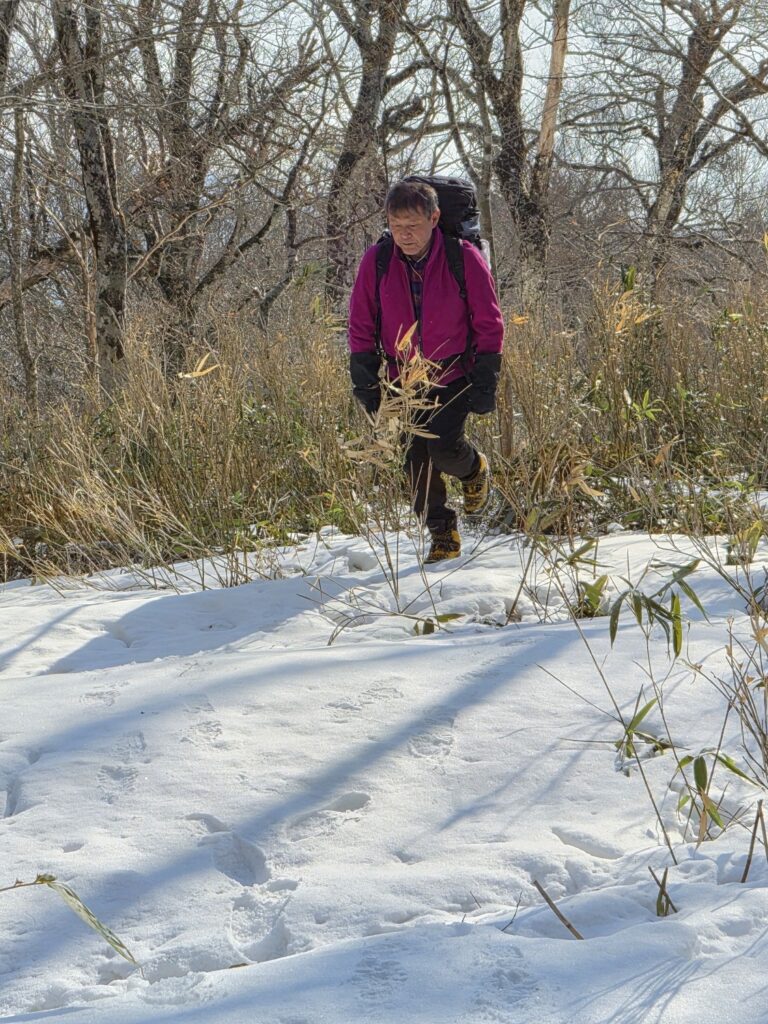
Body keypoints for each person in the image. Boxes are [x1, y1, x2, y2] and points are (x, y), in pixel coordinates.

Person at [347, 178, 504, 563]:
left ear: (434, 218)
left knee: (444, 448)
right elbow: (361, 321)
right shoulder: (378, 260)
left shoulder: (462, 257)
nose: (405, 235)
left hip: (455, 373)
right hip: (405, 381)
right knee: (415, 462)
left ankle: (473, 469)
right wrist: (364, 376)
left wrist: (487, 379)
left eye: (413, 226)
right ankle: (443, 534)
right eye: (396, 226)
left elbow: (489, 321)